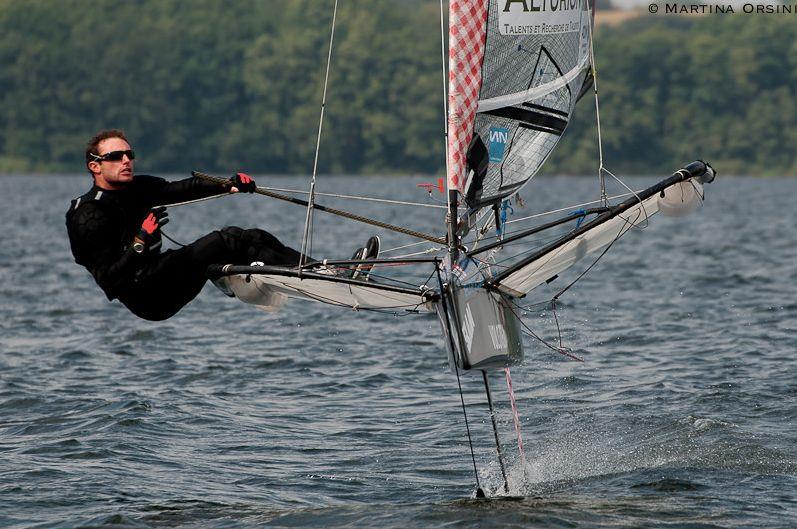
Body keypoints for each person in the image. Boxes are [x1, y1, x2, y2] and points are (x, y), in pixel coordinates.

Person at [66, 129, 379, 321]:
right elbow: (109, 281)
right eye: (116, 156)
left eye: (129, 154)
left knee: (249, 237)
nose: (126, 160)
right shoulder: (88, 215)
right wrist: (139, 240)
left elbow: (182, 189)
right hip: (146, 295)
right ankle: (320, 275)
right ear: (95, 165)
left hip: (164, 274)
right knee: (225, 240)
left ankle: (326, 273)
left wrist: (227, 185)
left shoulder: (138, 187)